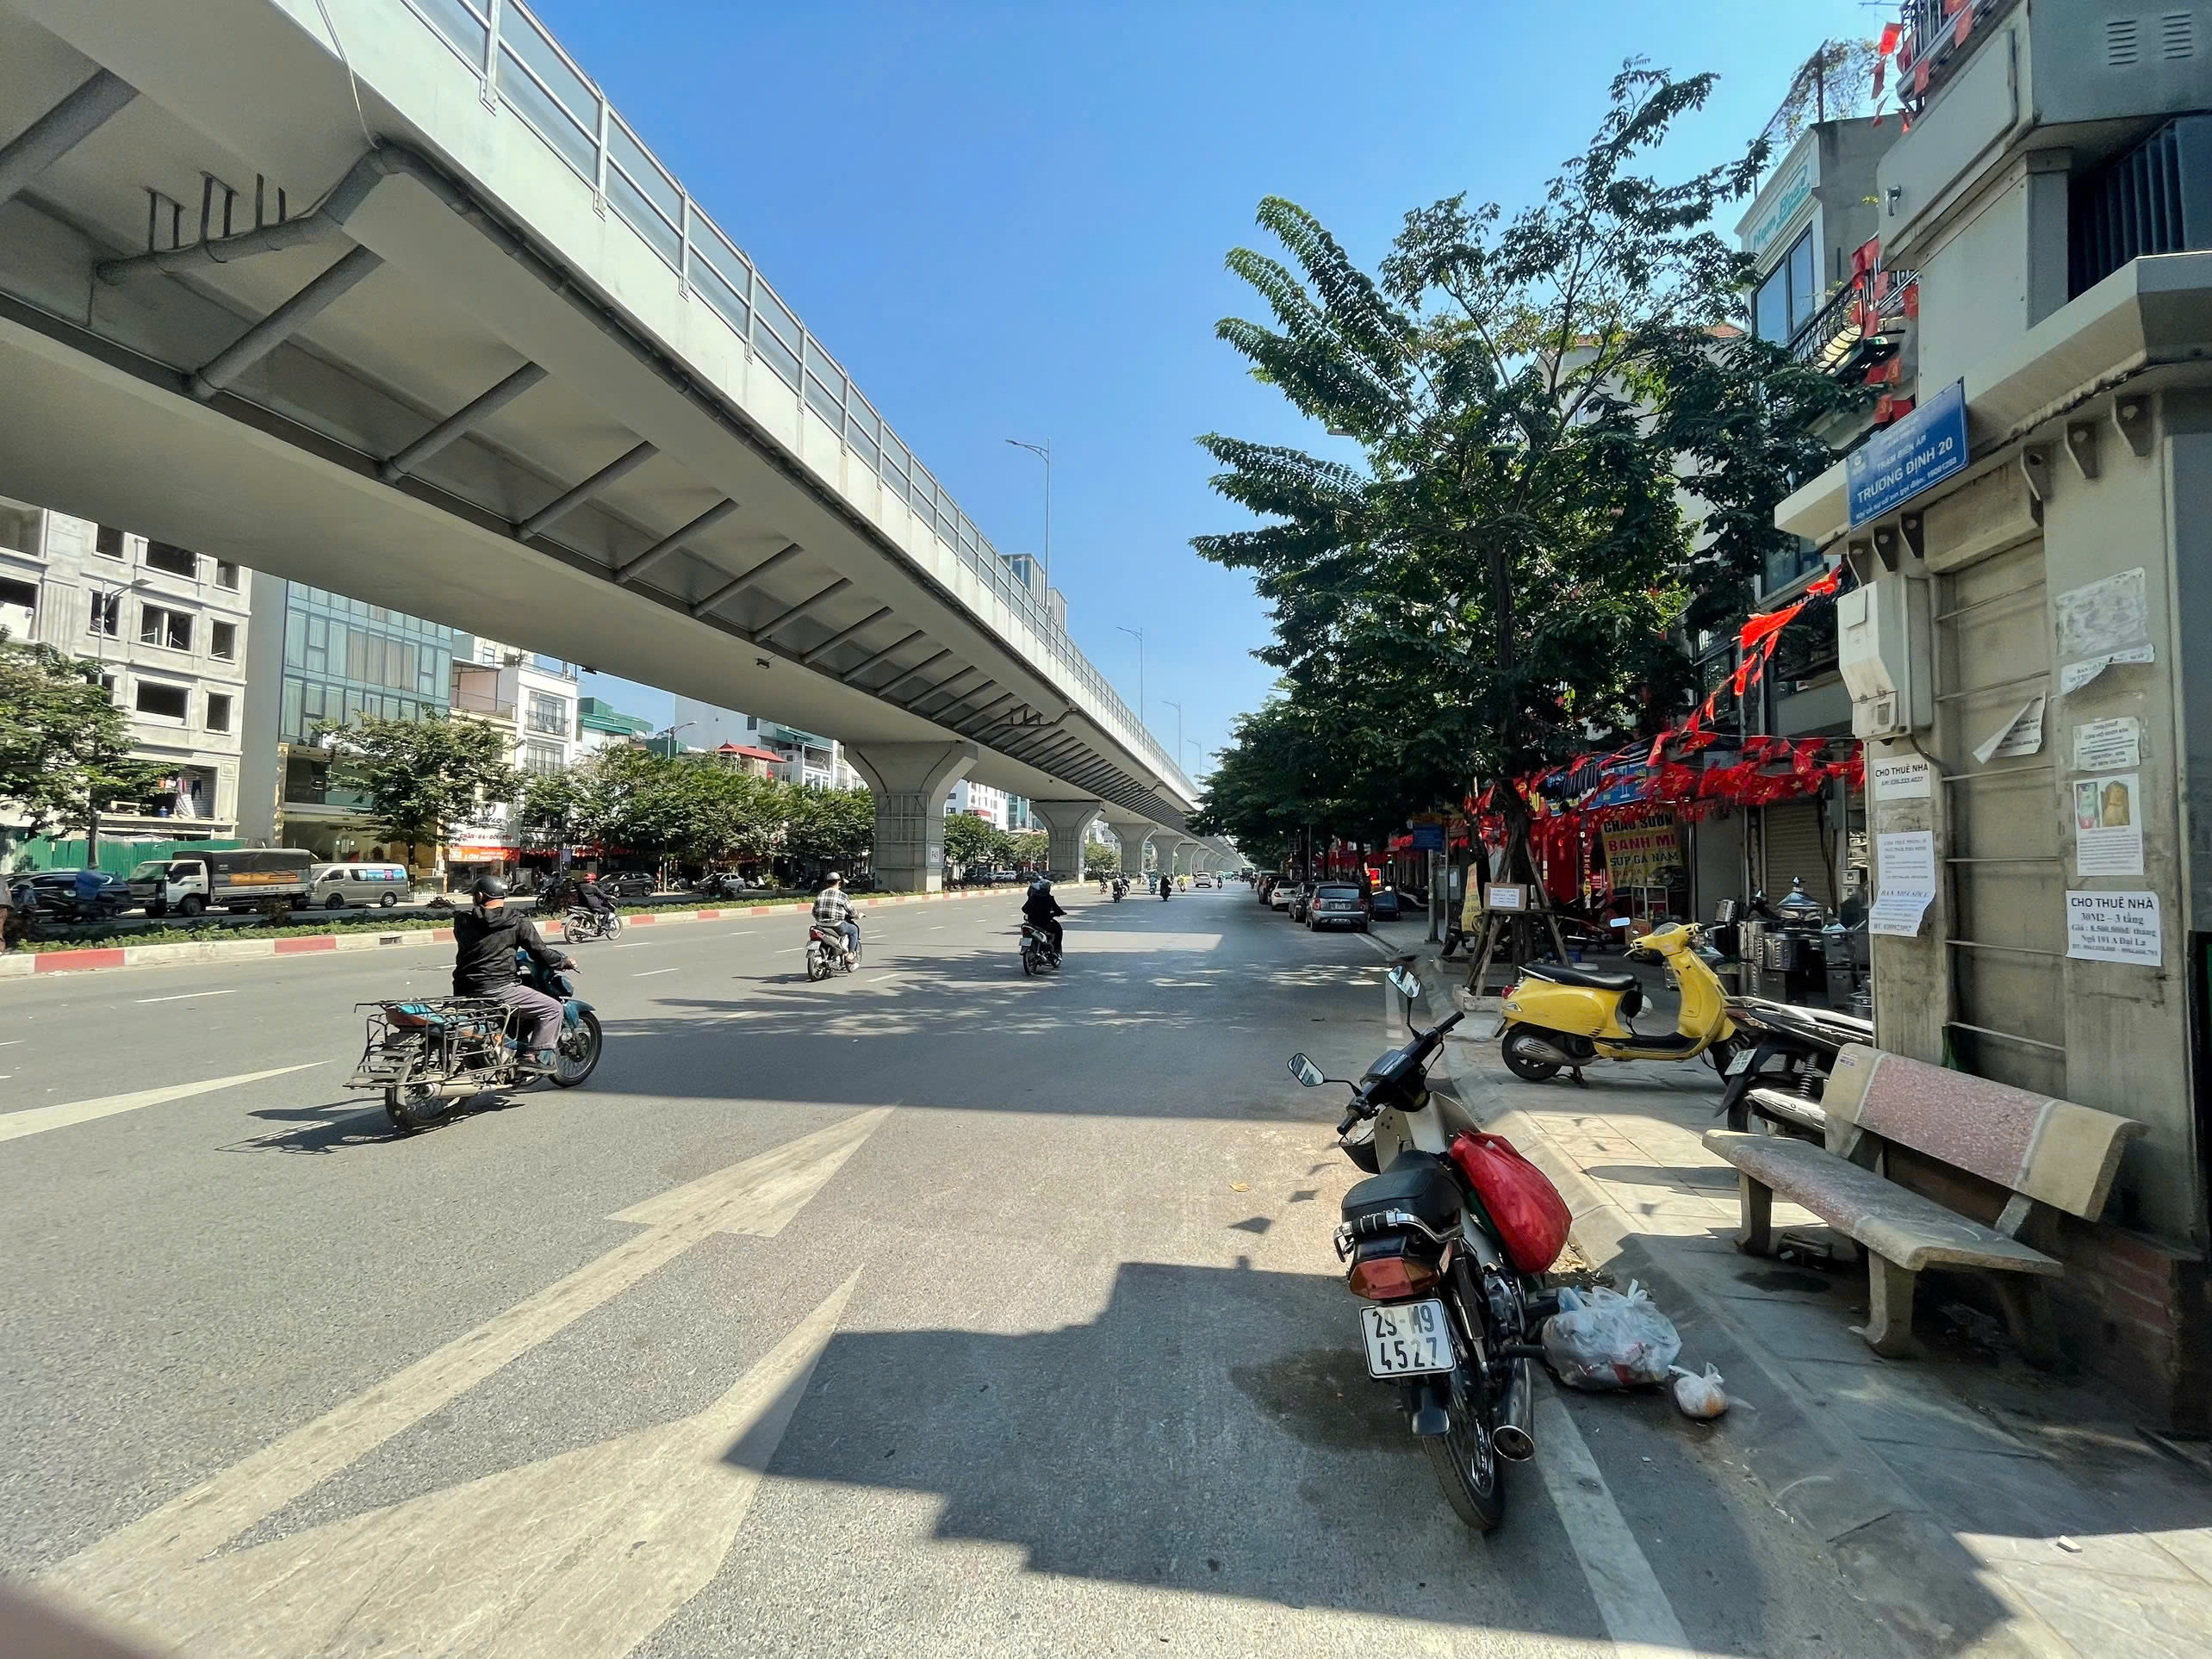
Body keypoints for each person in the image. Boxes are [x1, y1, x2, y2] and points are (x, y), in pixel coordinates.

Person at [452, 874, 572, 1076]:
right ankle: (532, 1058)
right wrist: (562, 961)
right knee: (553, 1008)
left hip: (464, 988)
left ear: (479, 896)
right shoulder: (517, 921)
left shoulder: (463, 920)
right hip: (498, 988)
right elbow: (539, 952)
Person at [813, 870, 861, 960]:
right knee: (854, 930)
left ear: (827, 883)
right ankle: (851, 954)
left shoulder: (820, 894)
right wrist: (858, 915)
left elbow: (814, 912)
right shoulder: (842, 895)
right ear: (839, 882)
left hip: (820, 925)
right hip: (836, 925)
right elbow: (852, 912)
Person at [1022, 876, 1066, 960]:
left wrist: (1031, 913)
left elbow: (1024, 908)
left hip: (1032, 922)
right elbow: (1057, 909)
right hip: (1045, 923)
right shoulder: (1049, 898)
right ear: (1048, 889)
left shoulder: (1033, 897)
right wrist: (1060, 913)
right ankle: (1056, 950)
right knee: (1058, 929)